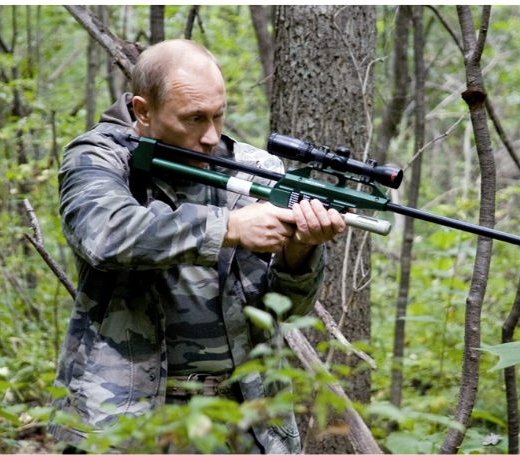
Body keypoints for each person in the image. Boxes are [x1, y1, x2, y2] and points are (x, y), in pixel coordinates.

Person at [47, 39, 346, 454]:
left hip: (245, 420)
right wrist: (231, 227)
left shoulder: (257, 171)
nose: (210, 136)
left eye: (218, 116)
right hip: (127, 420)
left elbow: (285, 312)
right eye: (194, 118)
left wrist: (301, 253)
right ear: (143, 111)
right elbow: (104, 234)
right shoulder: (98, 157)